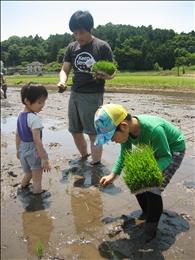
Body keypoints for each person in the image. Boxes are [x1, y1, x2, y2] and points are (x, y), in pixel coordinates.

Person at [94, 103, 186, 242]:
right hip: (153, 149)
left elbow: (165, 157)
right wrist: (113, 175)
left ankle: (151, 229)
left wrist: (149, 172)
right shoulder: (127, 132)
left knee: (153, 188)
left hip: (172, 150)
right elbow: (124, 155)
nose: (112, 141)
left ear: (124, 126)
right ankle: (147, 212)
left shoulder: (154, 130)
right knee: (136, 180)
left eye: (112, 136)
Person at [57, 10, 114, 165]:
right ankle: (84, 157)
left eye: (81, 32)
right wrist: (63, 81)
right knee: (74, 131)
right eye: (75, 33)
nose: (78, 37)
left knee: (93, 133)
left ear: (90, 29)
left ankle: (95, 165)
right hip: (74, 93)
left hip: (92, 95)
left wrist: (104, 76)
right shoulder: (71, 48)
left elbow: (111, 73)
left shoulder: (102, 47)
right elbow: (65, 69)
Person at [16, 83, 51, 195]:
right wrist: (44, 158)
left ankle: (23, 186)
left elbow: (17, 135)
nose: (43, 105)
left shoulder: (20, 116)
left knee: (28, 173)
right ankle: (38, 196)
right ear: (27, 101)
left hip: (22, 149)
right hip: (34, 151)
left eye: (44, 101)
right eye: (39, 102)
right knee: (37, 179)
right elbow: (37, 141)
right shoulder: (34, 119)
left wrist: (18, 150)